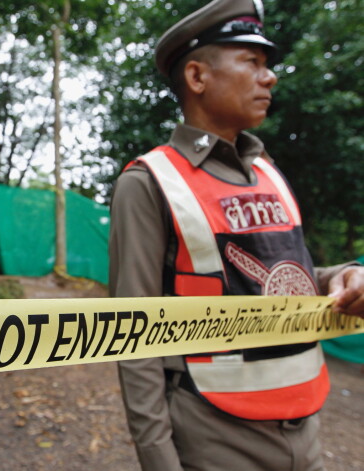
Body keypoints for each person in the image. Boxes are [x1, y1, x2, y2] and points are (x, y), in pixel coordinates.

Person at [108, 1, 364, 470]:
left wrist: (344, 277)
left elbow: (291, 276)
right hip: (215, 442)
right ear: (197, 77)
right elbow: (134, 335)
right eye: (252, 62)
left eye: (267, 66)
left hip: (306, 431)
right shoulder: (149, 182)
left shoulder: (269, 172)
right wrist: (160, 460)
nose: (269, 78)